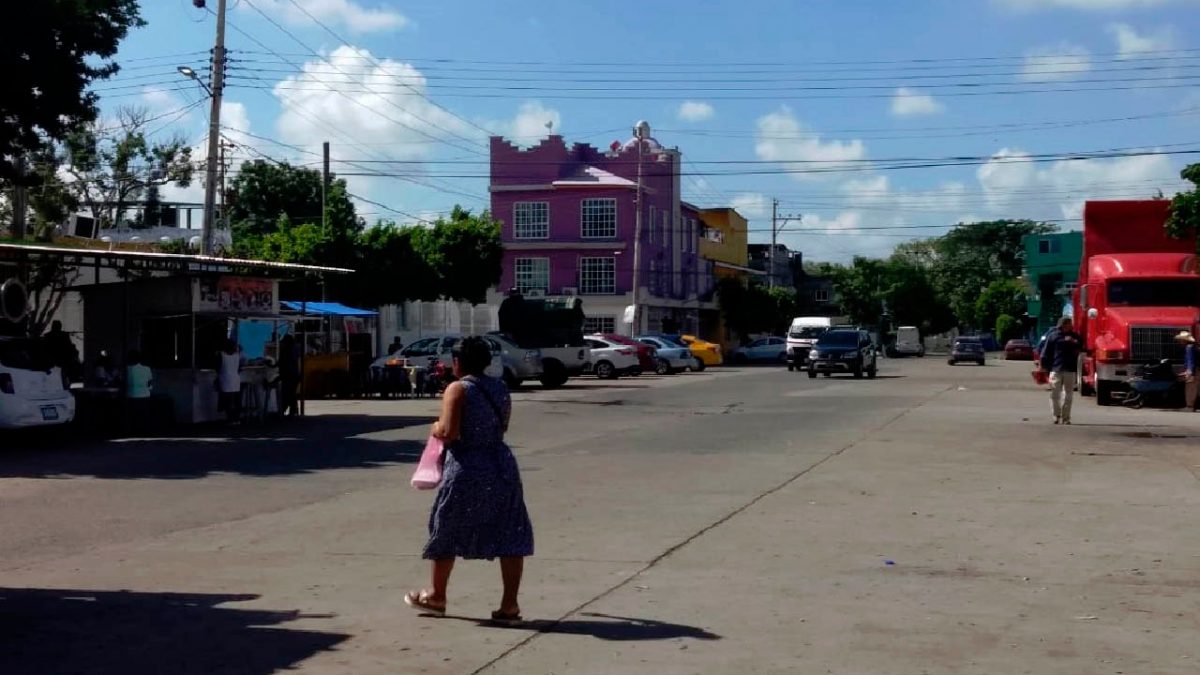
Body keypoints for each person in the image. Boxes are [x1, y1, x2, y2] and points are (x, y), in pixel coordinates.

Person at [405, 336, 534, 626]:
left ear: (457, 362)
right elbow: (502, 426)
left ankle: (437, 596)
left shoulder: (457, 388)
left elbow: (449, 432)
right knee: (510, 530)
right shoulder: (500, 387)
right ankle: (509, 605)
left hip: (467, 466)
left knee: (447, 526)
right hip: (501, 464)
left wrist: (435, 426)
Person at [1039, 316, 1083, 425]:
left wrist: (1073, 341)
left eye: (1070, 323)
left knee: (1068, 395)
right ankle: (1056, 415)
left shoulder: (1075, 336)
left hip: (1070, 368)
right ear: (1062, 325)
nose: (1069, 325)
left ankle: (1066, 417)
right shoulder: (1053, 336)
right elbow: (1045, 352)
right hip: (1056, 368)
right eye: (1067, 323)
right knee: (1054, 393)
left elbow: (1082, 346)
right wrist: (1043, 366)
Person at [217, 339, 243, 422]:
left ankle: (230, 419)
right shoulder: (237, 355)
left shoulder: (221, 355)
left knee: (227, 402)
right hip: (236, 379)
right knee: (236, 402)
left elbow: (217, 367)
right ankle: (237, 419)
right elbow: (239, 368)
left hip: (225, 379)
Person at [278, 334, 300, 417]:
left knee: (287, 393)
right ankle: (292, 411)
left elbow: (282, 362)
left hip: (288, 375)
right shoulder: (295, 349)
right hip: (294, 374)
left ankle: (286, 410)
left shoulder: (286, 350)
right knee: (292, 394)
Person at [1176, 331, 1197, 412]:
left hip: (1194, 370)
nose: (1180, 341)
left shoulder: (1189, 347)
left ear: (1185, 340)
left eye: (1181, 340)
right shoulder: (1194, 346)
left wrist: (1189, 371)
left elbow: (1190, 360)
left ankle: (1189, 406)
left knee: (1190, 388)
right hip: (1197, 369)